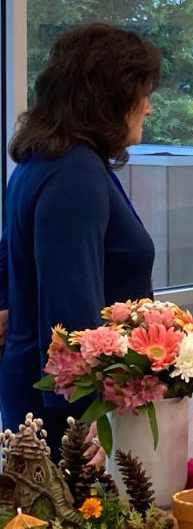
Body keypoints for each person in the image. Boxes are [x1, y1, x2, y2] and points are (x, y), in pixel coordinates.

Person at [0, 24, 161, 456]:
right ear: (109, 97)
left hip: (37, 393)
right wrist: (83, 424)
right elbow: (68, 308)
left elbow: (9, 262)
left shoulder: (43, 162)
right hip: (66, 415)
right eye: (141, 93)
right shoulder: (75, 173)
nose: (147, 107)